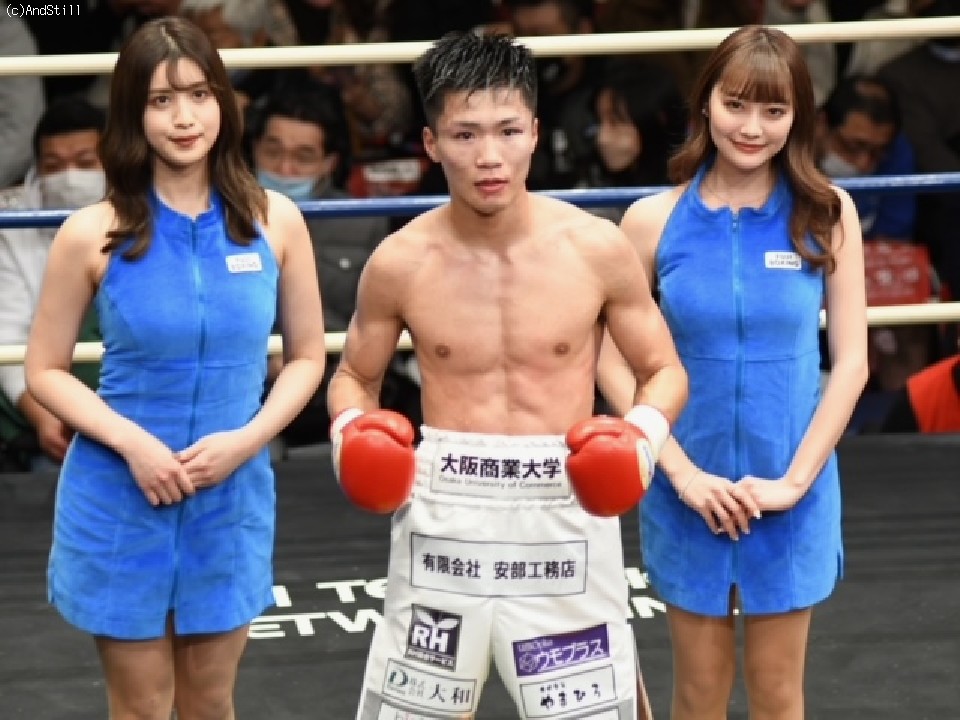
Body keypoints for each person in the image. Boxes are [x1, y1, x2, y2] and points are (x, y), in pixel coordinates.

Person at [327, 31, 688, 720]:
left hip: (565, 504)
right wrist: (353, 433)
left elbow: (662, 370)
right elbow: (353, 376)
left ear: (535, 133)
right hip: (444, 513)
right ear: (432, 143)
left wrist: (638, 441)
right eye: (465, 134)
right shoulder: (400, 261)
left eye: (507, 131)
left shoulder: (594, 248)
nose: (488, 156)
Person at [23, 16, 325, 720]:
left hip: (232, 492)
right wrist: (133, 444)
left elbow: (309, 357)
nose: (184, 118)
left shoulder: (277, 219)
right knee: (140, 707)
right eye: (161, 100)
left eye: (198, 94)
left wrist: (247, 441)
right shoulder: (89, 233)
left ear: (224, 100)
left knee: (211, 702)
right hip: (118, 492)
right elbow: (45, 370)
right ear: (133, 112)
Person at [597, 25, 868, 719]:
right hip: (685, 487)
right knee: (698, 695)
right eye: (736, 104)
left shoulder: (827, 213)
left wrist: (794, 483)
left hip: (793, 489)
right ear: (706, 103)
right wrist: (680, 473)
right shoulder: (650, 221)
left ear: (797, 117)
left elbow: (852, 363)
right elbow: (610, 358)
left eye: (774, 110)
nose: (752, 128)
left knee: (779, 697)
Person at [247, 90, 419, 448]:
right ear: (254, 150)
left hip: (333, 391)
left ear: (329, 162)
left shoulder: (363, 221)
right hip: (246, 391)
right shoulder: (222, 218)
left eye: (303, 157)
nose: (285, 169)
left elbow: (378, 323)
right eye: (273, 152)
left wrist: (310, 358)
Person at [0, 97, 106, 472]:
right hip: (47, 400)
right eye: (54, 165)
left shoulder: (153, 207)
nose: (69, 176)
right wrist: (44, 419)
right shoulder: (10, 219)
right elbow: (8, 339)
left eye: (85, 162)